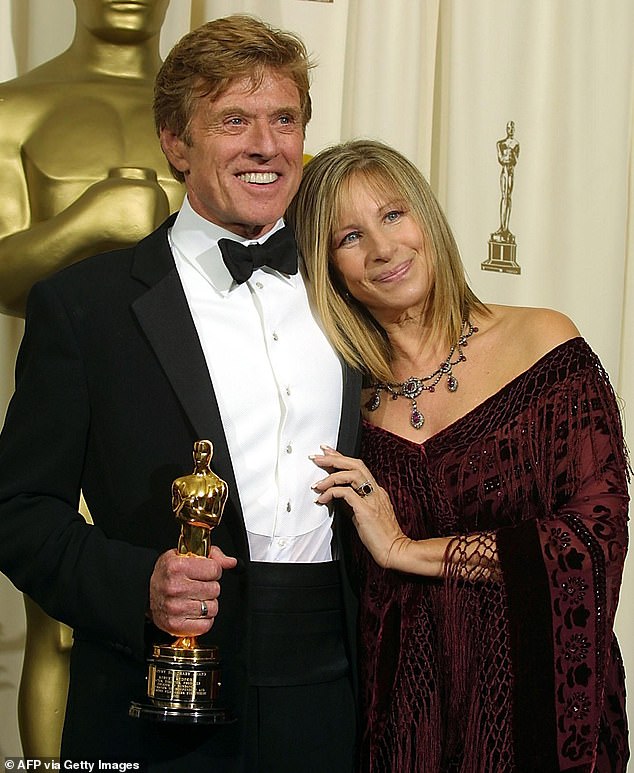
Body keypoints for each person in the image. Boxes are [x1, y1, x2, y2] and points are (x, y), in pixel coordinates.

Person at [0, 15, 361, 772]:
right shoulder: (83, 307)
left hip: (337, 691)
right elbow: (18, 511)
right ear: (175, 140)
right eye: (234, 119)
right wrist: (141, 584)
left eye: (284, 118)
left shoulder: (351, 288)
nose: (266, 144)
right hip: (156, 694)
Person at [286, 139, 629, 772]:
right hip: (401, 731)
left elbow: (596, 536)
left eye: (393, 215)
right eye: (349, 237)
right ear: (327, 266)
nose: (384, 249)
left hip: (540, 721)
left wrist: (405, 550)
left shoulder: (543, 343)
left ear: (426, 218)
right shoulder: (338, 402)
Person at [0, 0, 183, 317]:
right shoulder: (10, 109)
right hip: (61, 361)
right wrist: (91, 222)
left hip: (192, 361)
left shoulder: (215, 117)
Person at [493, 120, 520, 242]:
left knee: (508, 198)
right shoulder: (501, 144)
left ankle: (506, 228)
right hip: (504, 171)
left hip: (511, 172)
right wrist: (507, 155)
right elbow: (501, 159)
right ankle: (502, 228)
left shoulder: (516, 144)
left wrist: (511, 154)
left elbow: (515, 160)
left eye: (512, 128)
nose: (511, 130)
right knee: (504, 197)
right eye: (509, 128)